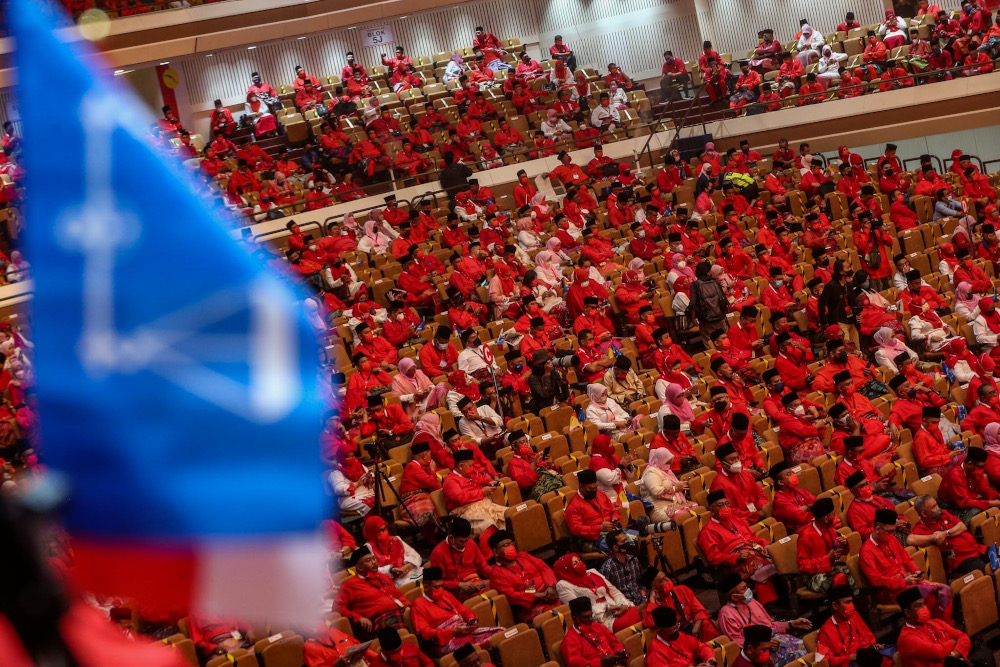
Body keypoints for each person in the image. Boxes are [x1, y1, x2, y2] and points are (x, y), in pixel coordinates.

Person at [697, 490, 778, 604]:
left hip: (752, 550)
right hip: (733, 564)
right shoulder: (707, 531)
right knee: (757, 565)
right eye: (720, 505)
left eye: (727, 504)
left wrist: (767, 545)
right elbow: (713, 557)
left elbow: (753, 538)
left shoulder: (735, 519)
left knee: (777, 556)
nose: (725, 507)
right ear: (711, 509)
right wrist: (735, 557)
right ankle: (770, 605)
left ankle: (784, 600)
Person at [716, 573, 810, 664]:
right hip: (761, 652)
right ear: (734, 597)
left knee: (808, 648)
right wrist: (765, 643)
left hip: (779, 640)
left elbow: (771, 625)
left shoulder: (752, 602)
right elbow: (738, 644)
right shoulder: (726, 614)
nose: (748, 590)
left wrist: (791, 624)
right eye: (744, 589)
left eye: (746, 586)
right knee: (799, 658)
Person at [411, 566, 500, 657]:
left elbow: (464, 611)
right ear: (426, 587)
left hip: (465, 630)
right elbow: (425, 633)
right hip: (444, 641)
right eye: (437, 587)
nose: (441, 589)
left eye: (442, 586)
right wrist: (452, 632)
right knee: (473, 649)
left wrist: (471, 620)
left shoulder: (446, 594)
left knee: (500, 634)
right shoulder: (418, 604)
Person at [896, 587, 990, 667]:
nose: (924, 608)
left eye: (924, 604)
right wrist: (952, 641)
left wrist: (954, 653)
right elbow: (938, 652)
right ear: (907, 612)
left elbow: (963, 637)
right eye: (918, 606)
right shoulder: (906, 638)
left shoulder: (935, 622)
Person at [335, 546, 411, 639]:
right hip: (379, 619)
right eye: (368, 560)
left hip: (399, 611)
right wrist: (358, 618)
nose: (374, 562)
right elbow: (338, 607)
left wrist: (407, 606)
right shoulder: (349, 585)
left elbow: (397, 594)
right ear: (359, 568)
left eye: (373, 558)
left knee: (418, 611)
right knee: (402, 634)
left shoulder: (383, 576)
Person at [487, 529, 560, 623]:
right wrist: (537, 596)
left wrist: (551, 586)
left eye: (511, 543)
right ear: (495, 552)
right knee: (553, 618)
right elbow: (511, 596)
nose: (510, 547)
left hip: (550, 593)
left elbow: (544, 568)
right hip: (530, 607)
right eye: (505, 545)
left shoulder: (523, 556)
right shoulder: (496, 574)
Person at [553, 553, 637, 632]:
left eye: (579, 561)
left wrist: (624, 605)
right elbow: (580, 610)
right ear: (567, 569)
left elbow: (615, 593)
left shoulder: (592, 572)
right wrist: (607, 607)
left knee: (642, 611)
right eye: (575, 563)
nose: (580, 564)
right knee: (641, 613)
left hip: (618, 610)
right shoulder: (563, 585)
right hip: (601, 620)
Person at [908, 494, 987, 576]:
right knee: (986, 570)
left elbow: (962, 527)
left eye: (937, 504)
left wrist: (946, 533)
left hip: (978, 547)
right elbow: (910, 539)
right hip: (963, 559)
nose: (938, 508)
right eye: (934, 507)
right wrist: (934, 537)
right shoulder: (922, 527)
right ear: (924, 514)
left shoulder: (943, 514)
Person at [641, 567, 719, 642]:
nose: (667, 581)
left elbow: (700, 611)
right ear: (653, 588)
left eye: (666, 577)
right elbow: (651, 623)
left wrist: (697, 626)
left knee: (706, 625)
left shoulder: (682, 590)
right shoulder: (650, 605)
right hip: (673, 636)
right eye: (662, 581)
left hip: (691, 627)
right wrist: (652, 601)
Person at [442, 450, 505, 538]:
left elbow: (481, 478)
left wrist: (490, 481)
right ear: (460, 466)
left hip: (482, 504)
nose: (473, 468)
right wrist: (482, 492)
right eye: (471, 465)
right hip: (464, 510)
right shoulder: (450, 480)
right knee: (488, 524)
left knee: (507, 514)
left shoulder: (468, 474)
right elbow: (460, 498)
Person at [429, 517, 492, 596]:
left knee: (500, 584)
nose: (465, 544)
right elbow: (436, 582)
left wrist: (496, 573)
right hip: (456, 591)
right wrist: (459, 584)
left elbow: (483, 566)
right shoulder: (438, 553)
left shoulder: (471, 543)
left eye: (466, 540)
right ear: (451, 537)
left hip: (476, 583)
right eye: (461, 541)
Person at [566, 468, 624, 553]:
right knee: (620, 548)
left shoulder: (600, 494)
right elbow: (576, 529)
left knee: (635, 539)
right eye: (590, 489)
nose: (594, 491)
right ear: (581, 487)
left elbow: (613, 510)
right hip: (592, 538)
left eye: (595, 488)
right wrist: (600, 528)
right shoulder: (574, 506)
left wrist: (615, 518)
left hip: (611, 531)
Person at [560, 596, 629, 667]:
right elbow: (576, 664)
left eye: (591, 615)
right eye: (586, 617)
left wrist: (618, 652)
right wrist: (601, 662)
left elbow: (615, 642)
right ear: (575, 619)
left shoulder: (598, 626)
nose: (591, 619)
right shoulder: (569, 640)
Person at [938, 446, 1000, 522]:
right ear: (970, 464)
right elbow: (964, 502)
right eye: (980, 466)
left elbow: (984, 489)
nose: (982, 470)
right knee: (978, 512)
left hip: (968, 500)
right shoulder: (955, 476)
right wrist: (990, 503)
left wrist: (997, 496)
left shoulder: (975, 471)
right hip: (951, 506)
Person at [646, 606, 717, 667]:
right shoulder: (655, 653)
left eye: (677, 628)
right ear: (659, 630)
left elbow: (701, 647)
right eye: (672, 631)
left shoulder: (680, 636)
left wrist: (709, 658)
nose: (676, 634)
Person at [641, 448, 697, 522]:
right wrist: (675, 488)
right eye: (666, 463)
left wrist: (682, 486)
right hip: (659, 508)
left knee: (696, 508)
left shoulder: (667, 471)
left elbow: (676, 486)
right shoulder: (651, 472)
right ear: (659, 460)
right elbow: (655, 491)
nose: (669, 465)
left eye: (670, 462)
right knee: (684, 515)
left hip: (674, 503)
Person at [599, 529, 647, 607]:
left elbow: (641, 583)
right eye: (623, 541)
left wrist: (644, 598)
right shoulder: (607, 568)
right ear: (615, 547)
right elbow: (608, 594)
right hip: (624, 606)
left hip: (641, 600)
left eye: (626, 540)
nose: (627, 543)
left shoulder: (634, 560)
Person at [769, 461, 817, 534]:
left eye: (792, 472)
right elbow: (801, 517)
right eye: (789, 474)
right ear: (780, 482)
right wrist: (812, 508)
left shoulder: (801, 491)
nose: (793, 475)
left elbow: (819, 504)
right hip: (799, 531)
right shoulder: (780, 501)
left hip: (813, 523)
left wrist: (807, 507)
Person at [367, 627, 434, 667]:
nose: (399, 653)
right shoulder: (376, 665)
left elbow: (428, 663)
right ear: (383, 651)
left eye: (399, 649)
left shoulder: (408, 646)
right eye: (393, 652)